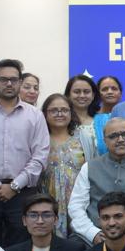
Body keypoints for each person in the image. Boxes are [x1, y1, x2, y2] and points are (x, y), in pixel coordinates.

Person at [0, 59, 50, 247]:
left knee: (21, 247)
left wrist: (15, 186)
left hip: (23, 193)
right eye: (3, 79)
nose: (9, 83)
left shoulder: (35, 115)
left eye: (14, 79)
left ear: (20, 82)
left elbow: (40, 156)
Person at [67, 118, 125, 244]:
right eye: (113, 136)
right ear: (104, 140)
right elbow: (76, 206)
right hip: (93, 235)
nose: (121, 139)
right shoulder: (89, 168)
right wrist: (93, 233)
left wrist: (123, 233)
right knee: (73, 247)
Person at [40, 94, 88, 238]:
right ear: (45, 114)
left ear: (71, 113)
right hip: (47, 203)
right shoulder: (39, 139)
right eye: (54, 110)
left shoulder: (83, 137)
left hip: (78, 203)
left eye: (64, 110)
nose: (59, 114)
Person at [65, 74, 109, 157]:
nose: (82, 95)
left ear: (93, 96)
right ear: (68, 95)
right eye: (77, 92)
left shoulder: (105, 120)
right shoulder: (62, 122)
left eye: (86, 92)